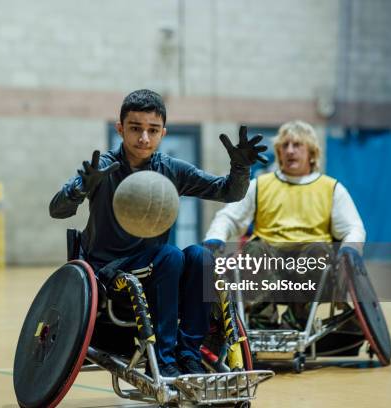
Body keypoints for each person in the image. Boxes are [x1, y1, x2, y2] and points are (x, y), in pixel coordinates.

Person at [49, 89, 267, 376]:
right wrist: (78, 189)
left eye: (152, 130)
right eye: (135, 129)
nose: (144, 138)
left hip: (156, 266)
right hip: (109, 271)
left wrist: (241, 167)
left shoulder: (170, 169)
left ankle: (188, 353)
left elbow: (228, 192)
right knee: (171, 256)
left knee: (201, 256)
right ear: (120, 129)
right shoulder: (102, 167)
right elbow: (57, 209)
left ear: (163, 132)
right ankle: (164, 361)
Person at [203, 120, 366, 328]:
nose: (290, 151)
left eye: (297, 145)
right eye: (284, 146)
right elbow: (228, 216)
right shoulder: (260, 185)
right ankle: (261, 320)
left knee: (318, 251)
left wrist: (351, 248)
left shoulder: (331, 188)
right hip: (270, 263)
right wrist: (214, 238)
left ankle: (298, 319)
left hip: (312, 264)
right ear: (278, 152)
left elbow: (353, 228)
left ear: (312, 152)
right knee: (254, 249)